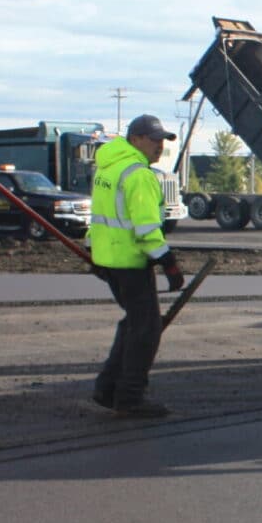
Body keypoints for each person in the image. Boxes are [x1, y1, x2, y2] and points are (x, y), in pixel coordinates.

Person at [89, 114, 183, 418]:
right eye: (154, 140)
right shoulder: (139, 175)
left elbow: (100, 217)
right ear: (135, 139)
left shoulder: (109, 168)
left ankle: (107, 389)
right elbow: (145, 230)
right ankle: (129, 397)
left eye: (162, 141)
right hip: (130, 262)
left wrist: (95, 254)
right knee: (146, 328)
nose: (159, 146)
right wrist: (168, 263)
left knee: (133, 322)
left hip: (109, 260)